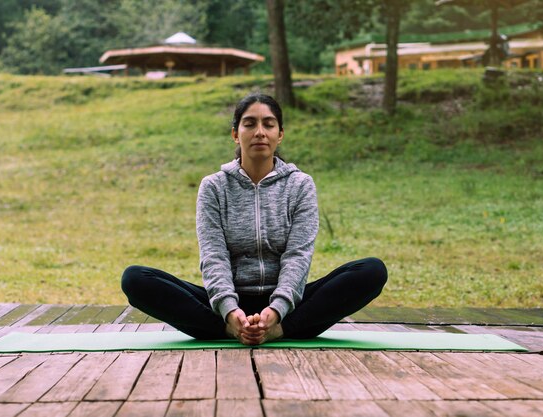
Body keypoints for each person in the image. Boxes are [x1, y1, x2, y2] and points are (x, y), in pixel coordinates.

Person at [121, 93, 387, 345]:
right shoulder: (214, 186)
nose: (260, 131)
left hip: (289, 306)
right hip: (224, 306)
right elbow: (214, 256)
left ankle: (278, 331)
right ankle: (230, 330)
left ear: (279, 135)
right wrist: (229, 312)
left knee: (372, 271)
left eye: (268, 124)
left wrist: (278, 310)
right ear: (236, 134)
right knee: (135, 279)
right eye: (250, 124)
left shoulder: (300, 185)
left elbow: (298, 255)